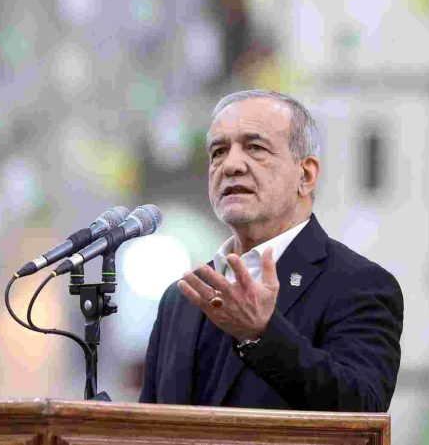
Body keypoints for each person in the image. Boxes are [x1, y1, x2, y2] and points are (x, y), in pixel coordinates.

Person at [139, 90, 404, 411]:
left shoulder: (358, 285)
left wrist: (261, 335)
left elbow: (362, 408)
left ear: (305, 175)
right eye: (218, 151)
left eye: (255, 147)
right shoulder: (180, 299)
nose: (231, 165)